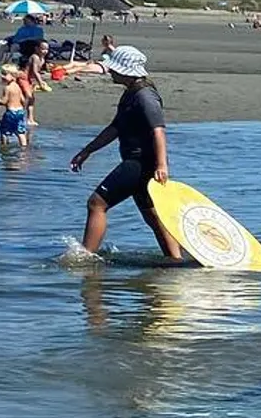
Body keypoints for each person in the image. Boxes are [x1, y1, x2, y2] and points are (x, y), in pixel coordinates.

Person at [69, 46, 181, 260]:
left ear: (126, 71)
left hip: (140, 163)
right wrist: (87, 151)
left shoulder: (145, 96)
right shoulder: (131, 93)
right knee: (153, 216)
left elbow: (158, 130)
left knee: (97, 203)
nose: (110, 72)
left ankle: (85, 258)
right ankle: (175, 262)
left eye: (114, 69)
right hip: (140, 162)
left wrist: (161, 165)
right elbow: (115, 128)